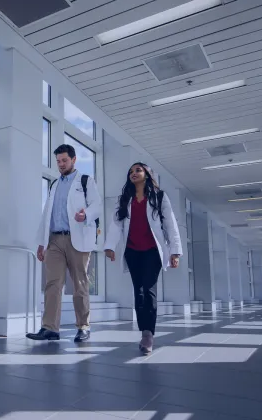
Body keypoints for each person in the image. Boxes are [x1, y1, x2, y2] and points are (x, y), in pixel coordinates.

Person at [103, 163, 182, 355]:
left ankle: (148, 334)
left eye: (138, 170)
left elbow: (170, 224)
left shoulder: (159, 196)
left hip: (152, 251)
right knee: (138, 292)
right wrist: (109, 246)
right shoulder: (125, 199)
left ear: (147, 174)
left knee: (149, 291)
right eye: (130, 171)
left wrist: (175, 251)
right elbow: (116, 224)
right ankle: (143, 330)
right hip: (132, 251)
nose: (133, 173)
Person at [30, 144, 102, 343]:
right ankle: (50, 328)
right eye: (58, 161)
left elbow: (97, 205)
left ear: (73, 160)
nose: (61, 164)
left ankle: (83, 327)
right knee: (52, 284)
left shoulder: (86, 181)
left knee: (80, 284)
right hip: (54, 239)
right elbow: (47, 214)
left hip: (77, 238)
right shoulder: (54, 184)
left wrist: (85, 214)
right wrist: (41, 242)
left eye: (64, 160)